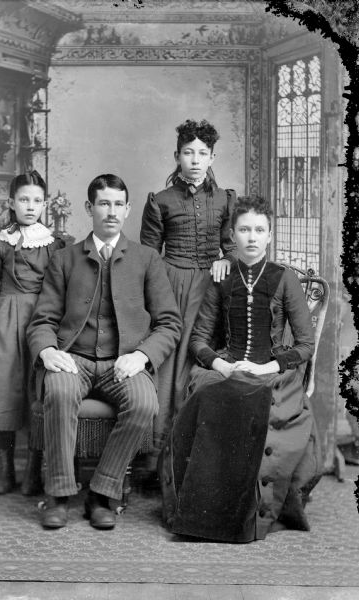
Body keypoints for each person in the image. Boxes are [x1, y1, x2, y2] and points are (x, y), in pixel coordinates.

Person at [159, 195, 323, 542]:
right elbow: (200, 339)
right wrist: (223, 365)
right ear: (232, 234)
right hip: (227, 365)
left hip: (272, 372)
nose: (251, 237)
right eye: (244, 229)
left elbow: (305, 345)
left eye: (259, 230)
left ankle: (244, 515)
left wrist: (266, 368)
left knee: (252, 398)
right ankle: (208, 512)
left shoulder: (284, 279)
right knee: (209, 394)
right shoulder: (222, 278)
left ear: (269, 235)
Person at [26, 174, 182, 530]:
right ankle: (59, 494)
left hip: (124, 363)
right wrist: (48, 351)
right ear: (89, 208)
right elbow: (42, 320)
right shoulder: (65, 259)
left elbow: (169, 323)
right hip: (74, 359)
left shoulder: (147, 259)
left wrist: (141, 356)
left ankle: (102, 493)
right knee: (60, 390)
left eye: (118, 205)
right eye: (103, 204)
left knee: (144, 402)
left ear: (127, 210)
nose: (111, 212)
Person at [0, 170, 65, 495]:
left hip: (41, 323)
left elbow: (59, 290)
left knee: (38, 393)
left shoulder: (52, 243)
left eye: (36, 200)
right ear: (11, 202)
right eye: (23, 200)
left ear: (45, 203)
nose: (30, 206)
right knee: (3, 390)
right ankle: (5, 468)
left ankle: (34, 469)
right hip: (5, 324)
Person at [140, 118, 236, 456]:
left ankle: (197, 453)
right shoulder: (161, 200)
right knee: (170, 367)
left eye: (202, 153)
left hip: (213, 286)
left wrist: (227, 258)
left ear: (213, 157)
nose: (195, 160)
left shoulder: (225, 199)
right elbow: (148, 256)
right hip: (173, 287)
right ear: (177, 155)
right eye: (188, 152)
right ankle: (158, 453)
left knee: (203, 362)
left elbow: (234, 245)